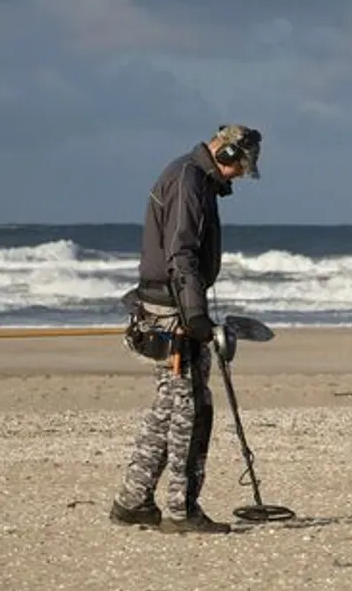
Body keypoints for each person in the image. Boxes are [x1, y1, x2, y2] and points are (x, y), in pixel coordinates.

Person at [108, 124, 262, 534]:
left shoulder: (192, 177)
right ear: (225, 154)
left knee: (169, 405)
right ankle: (181, 510)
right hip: (173, 312)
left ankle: (133, 501)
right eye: (240, 167)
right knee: (192, 409)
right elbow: (182, 253)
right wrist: (195, 316)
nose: (239, 176)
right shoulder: (189, 181)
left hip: (166, 305)